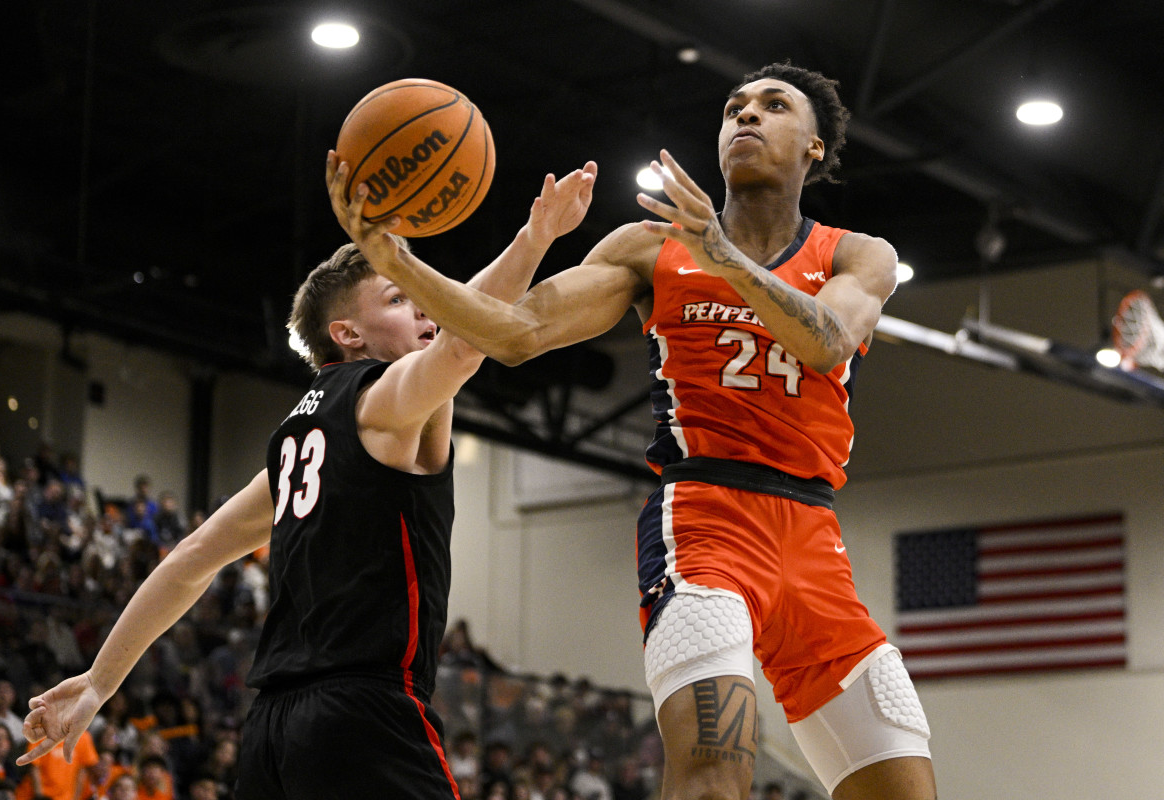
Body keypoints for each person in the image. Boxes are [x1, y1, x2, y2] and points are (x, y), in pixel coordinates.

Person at [327, 61, 936, 800]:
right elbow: (518, 332)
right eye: (733, 108)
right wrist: (400, 263)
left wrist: (726, 259)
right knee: (715, 776)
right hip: (705, 525)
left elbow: (828, 340)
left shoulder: (855, 253)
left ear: (814, 147)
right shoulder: (650, 249)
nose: (746, 117)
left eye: (773, 107)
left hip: (815, 541)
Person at [14, 160, 597, 800]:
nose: (425, 306)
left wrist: (100, 679)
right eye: (399, 298)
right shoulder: (383, 401)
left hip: (273, 731)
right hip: (364, 715)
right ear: (346, 334)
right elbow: (464, 340)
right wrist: (535, 236)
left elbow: (190, 557)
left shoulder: (294, 438)